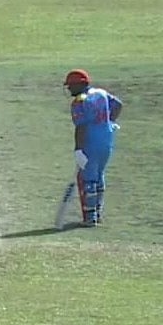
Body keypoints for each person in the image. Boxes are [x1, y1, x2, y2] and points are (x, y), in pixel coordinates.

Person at [64, 69, 123, 227]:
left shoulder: (79, 101)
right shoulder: (101, 93)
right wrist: (109, 121)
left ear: (79, 85)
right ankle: (98, 212)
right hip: (107, 140)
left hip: (91, 142)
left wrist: (79, 149)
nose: (69, 89)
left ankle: (90, 218)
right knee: (99, 174)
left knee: (88, 179)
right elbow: (118, 104)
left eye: (70, 86)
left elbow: (81, 128)